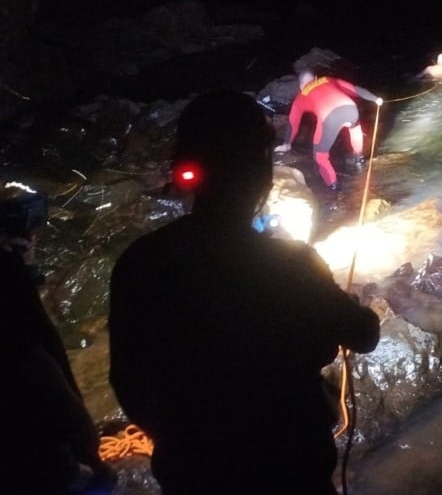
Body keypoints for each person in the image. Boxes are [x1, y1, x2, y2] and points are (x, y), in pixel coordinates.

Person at [108, 90, 381, 495]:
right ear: (261, 171)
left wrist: (181, 435)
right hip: (291, 473)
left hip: (194, 476)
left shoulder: (139, 261)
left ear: (185, 167)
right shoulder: (292, 264)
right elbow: (364, 334)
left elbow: (126, 379)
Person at [0, 181, 115, 495]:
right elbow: (33, 364)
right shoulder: (8, 286)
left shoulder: (13, 275)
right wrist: (84, 441)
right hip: (34, 456)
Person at [273, 69, 384, 189]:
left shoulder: (302, 95)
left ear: (301, 86)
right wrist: (375, 99)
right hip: (351, 108)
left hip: (329, 118)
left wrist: (287, 144)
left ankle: (333, 186)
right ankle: (359, 159)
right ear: (315, 78)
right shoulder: (327, 79)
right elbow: (355, 89)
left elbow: (293, 122)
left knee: (320, 155)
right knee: (354, 127)